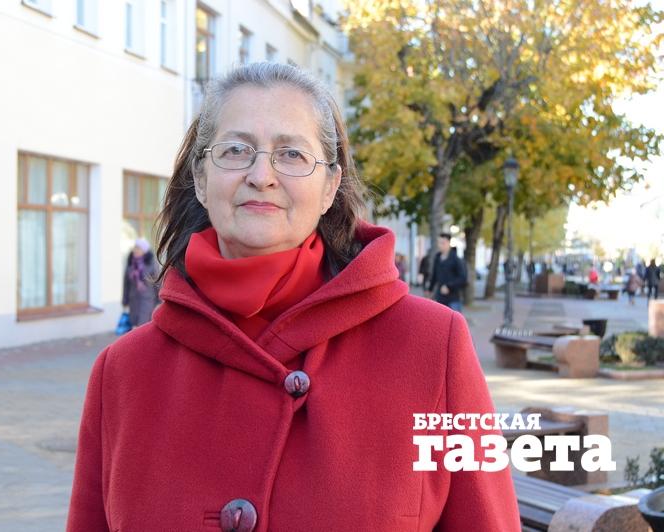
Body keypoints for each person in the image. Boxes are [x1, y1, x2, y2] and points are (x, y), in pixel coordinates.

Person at [67, 63, 519, 531]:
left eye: (292, 154)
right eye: (236, 150)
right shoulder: (122, 372)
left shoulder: (433, 346)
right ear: (200, 178)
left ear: (329, 187)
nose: (261, 175)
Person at [121, 237, 160, 327]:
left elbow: (158, 283)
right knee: (134, 325)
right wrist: (125, 301)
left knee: (143, 326)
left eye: (138, 248)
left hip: (147, 301)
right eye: (135, 247)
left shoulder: (151, 264)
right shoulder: (131, 264)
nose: (135, 250)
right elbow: (126, 284)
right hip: (133, 301)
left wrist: (160, 301)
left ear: (144, 250)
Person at [427, 233, 468, 312]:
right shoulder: (437, 258)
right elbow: (434, 276)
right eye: (439, 242)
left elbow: (463, 278)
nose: (440, 245)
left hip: (453, 299)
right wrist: (429, 290)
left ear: (449, 243)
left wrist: (449, 286)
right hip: (440, 298)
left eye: (443, 243)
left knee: (455, 319)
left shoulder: (456, 259)